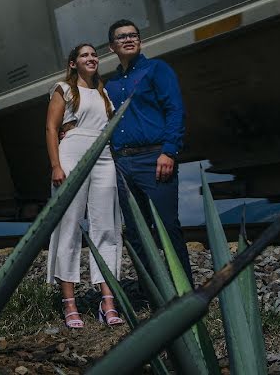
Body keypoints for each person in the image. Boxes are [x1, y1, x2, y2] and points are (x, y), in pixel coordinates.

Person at [104, 19, 193, 283]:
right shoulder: (110, 85)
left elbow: (175, 110)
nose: (129, 39)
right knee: (136, 233)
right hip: (122, 165)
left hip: (154, 159)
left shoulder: (157, 69)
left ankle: (183, 289)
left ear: (140, 41)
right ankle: (152, 291)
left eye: (133, 35)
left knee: (167, 227)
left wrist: (169, 151)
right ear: (112, 47)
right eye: (122, 37)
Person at [46, 43, 125, 329]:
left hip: (103, 157)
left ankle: (108, 302)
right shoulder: (63, 89)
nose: (92, 59)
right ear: (72, 64)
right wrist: (56, 165)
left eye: (94, 55)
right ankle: (69, 303)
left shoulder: (103, 93)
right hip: (71, 154)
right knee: (69, 226)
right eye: (85, 55)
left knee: (107, 227)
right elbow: (51, 128)